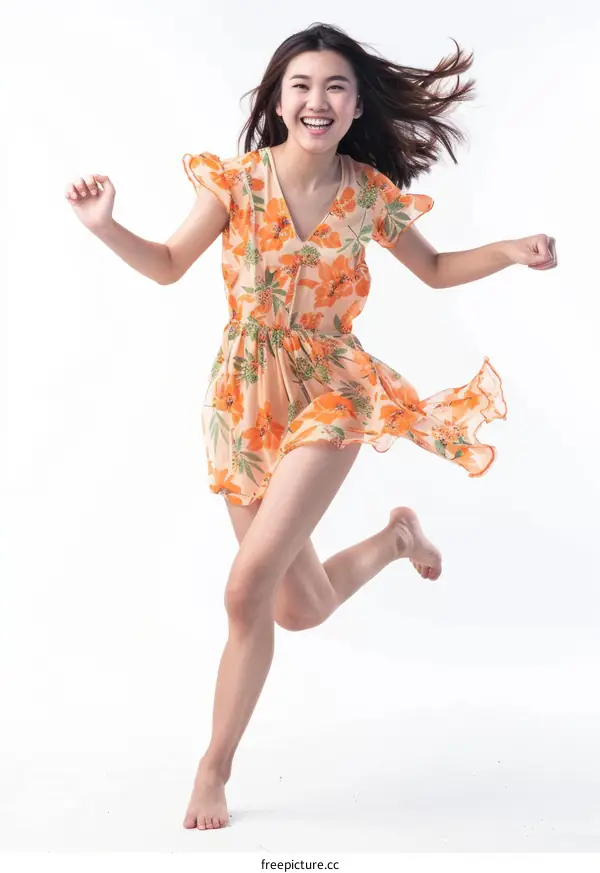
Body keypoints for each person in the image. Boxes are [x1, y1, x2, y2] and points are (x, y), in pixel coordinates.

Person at [64, 22, 557, 831]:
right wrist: (105, 226)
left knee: (243, 590)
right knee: (295, 607)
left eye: (334, 86)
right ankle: (397, 540)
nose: (316, 100)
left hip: (332, 390)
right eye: (301, 85)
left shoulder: (368, 194)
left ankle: (213, 767)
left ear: (357, 105)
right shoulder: (235, 182)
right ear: (278, 100)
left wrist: (507, 249)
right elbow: (167, 264)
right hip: (242, 398)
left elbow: (434, 270)